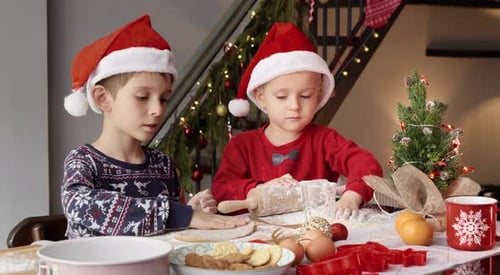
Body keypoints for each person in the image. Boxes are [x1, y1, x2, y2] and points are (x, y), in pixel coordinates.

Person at [61, 15, 248, 238]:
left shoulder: (162, 165)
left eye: (163, 98)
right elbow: (80, 206)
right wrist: (180, 215)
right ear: (103, 99)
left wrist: (191, 213)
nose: (158, 110)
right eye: (142, 97)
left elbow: (166, 233)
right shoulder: (83, 161)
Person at [212, 22, 383, 218]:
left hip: (314, 232)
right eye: (282, 97)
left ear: (318, 96)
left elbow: (367, 164)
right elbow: (221, 188)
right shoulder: (242, 146)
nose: (294, 105)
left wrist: (352, 195)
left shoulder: (325, 140)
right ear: (261, 97)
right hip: (259, 237)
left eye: (305, 96)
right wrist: (257, 190)